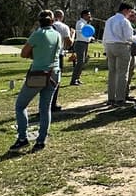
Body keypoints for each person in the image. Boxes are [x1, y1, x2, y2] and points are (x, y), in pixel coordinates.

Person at [11, 10, 63, 153]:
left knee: (21, 105)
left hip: (38, 74)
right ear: (52, 21)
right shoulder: (57, 35)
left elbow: (23, 53)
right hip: (54, 74)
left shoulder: (37, 34)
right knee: (45, 108)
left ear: (39, 21)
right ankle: (41, 140)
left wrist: (34, 55)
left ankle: (22, 138)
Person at [102, 3, 135, 106]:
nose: (130, 14)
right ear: (125, 10)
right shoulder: (124, 21)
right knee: (122, 72)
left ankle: (111, 98)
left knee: (112, 72)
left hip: (109, 45)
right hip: (121, 46)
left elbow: (104, 36)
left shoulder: (109, 20)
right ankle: (120, 98)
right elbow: (128, 37)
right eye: (130, 11)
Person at [49, 9, 74, 111]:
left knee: (46, 80)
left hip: (46, 55)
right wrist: (73, 34)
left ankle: (45, 104)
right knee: (56, 80)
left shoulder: (48, 26)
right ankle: (53, 104)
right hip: (58, 55)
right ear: (62, 17)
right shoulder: (64, 27)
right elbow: (69, 43)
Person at [69, 9, 94, 86]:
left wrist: (90, 37)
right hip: (80, 43)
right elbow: (81, 32)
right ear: (84, 15)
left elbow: (87, 33)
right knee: (80, 62)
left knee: (83, 62)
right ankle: (73, 80)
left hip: (85, 43)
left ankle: (77, 78)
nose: (90, 16)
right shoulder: (80, 23)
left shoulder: (86, 23)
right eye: (88, 14)